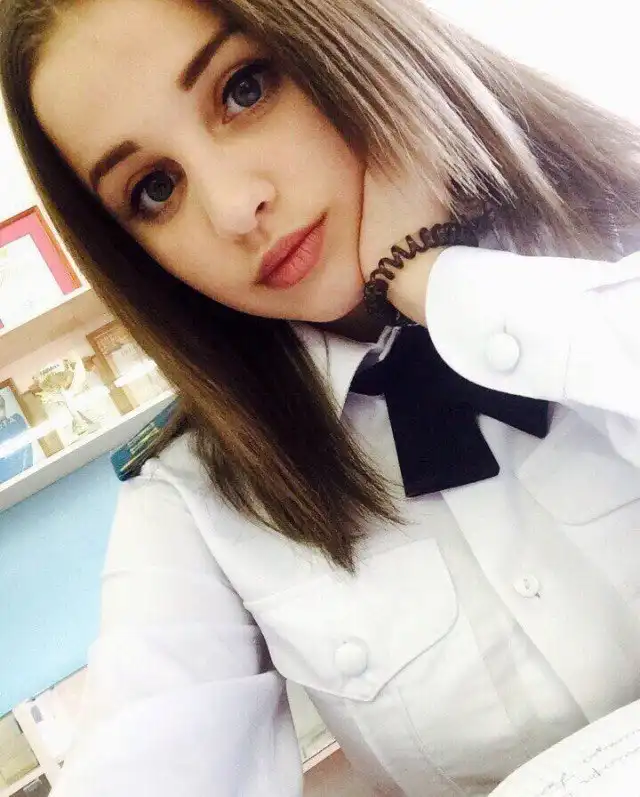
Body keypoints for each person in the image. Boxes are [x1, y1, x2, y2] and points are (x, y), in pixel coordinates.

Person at [2, 0, 640, 794]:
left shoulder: (616, 245)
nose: (234, 208)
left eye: (244, 88)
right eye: (155, 189)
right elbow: (143, 751)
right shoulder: (197, 502)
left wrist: (437, 281)